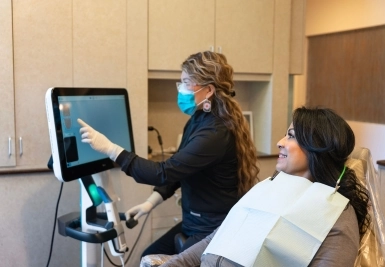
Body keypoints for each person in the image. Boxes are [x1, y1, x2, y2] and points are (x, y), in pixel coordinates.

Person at [77, 51, 260, 256]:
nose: (180, 89)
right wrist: (150, 203)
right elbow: (178, 170)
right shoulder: (199, 119)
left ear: (208, 90)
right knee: (148, 257)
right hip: (194, 223)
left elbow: (163, 172)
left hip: (213, 230)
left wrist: (111, 149)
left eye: (185, 83)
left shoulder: (216, 132)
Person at [156, 107, 371, 267]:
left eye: (291, 136)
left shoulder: (336, 215)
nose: (280, 142)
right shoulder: (267, 189)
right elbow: (215, 240)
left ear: (316, 148)